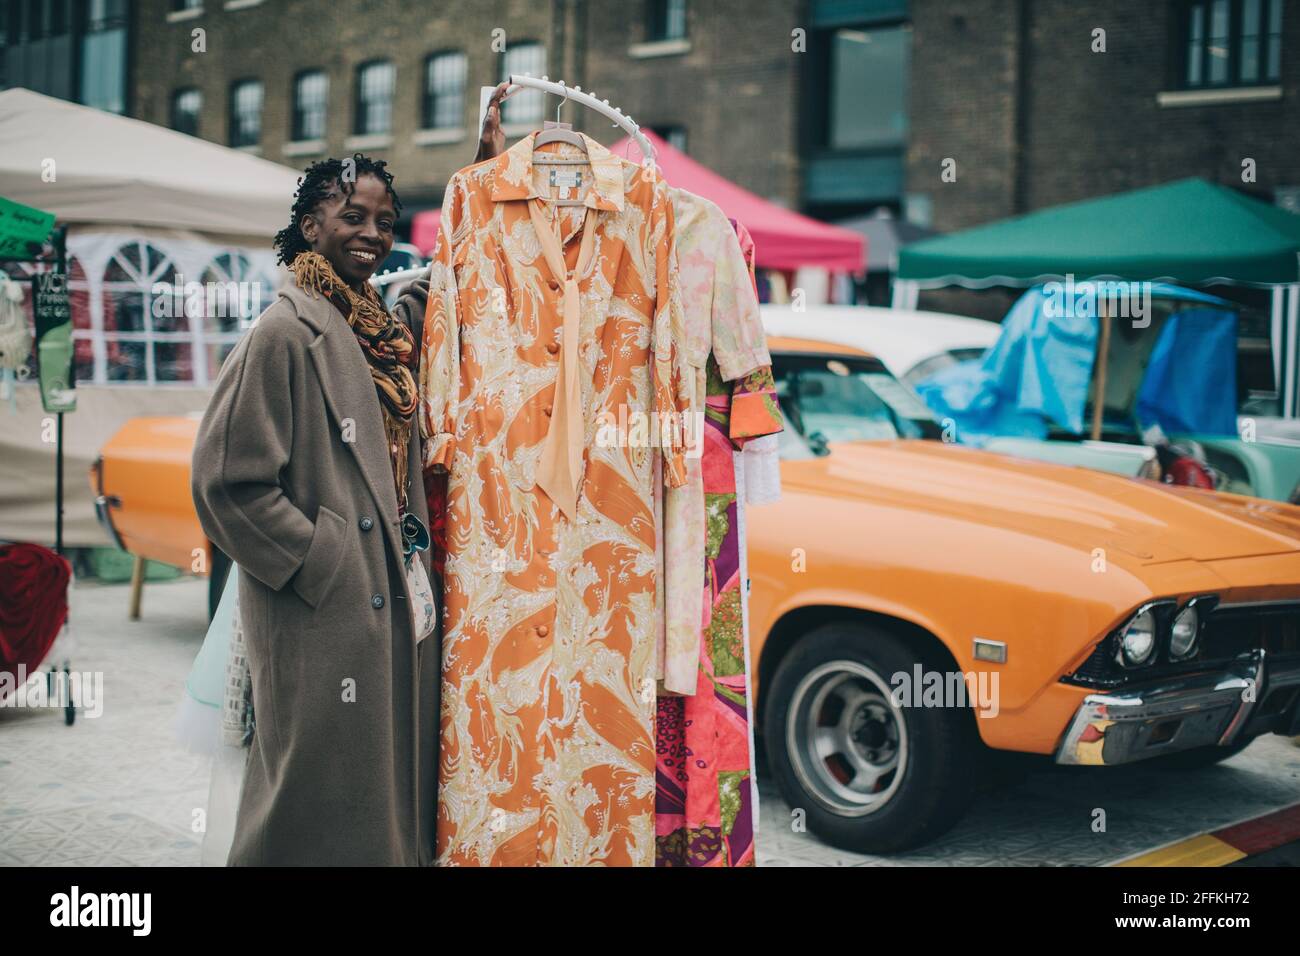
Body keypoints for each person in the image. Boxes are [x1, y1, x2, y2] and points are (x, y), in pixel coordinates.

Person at [190, 153, 439, 865]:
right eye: (352, 216)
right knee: (309, 799)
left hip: (388, 601)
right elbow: (227, 483)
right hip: (321, 615)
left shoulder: (375, 330)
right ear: (310, 226)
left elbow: (432, 299)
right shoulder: (284, 332)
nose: (371, 233)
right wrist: (320, 558)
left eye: (384, 222)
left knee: (377, 794)